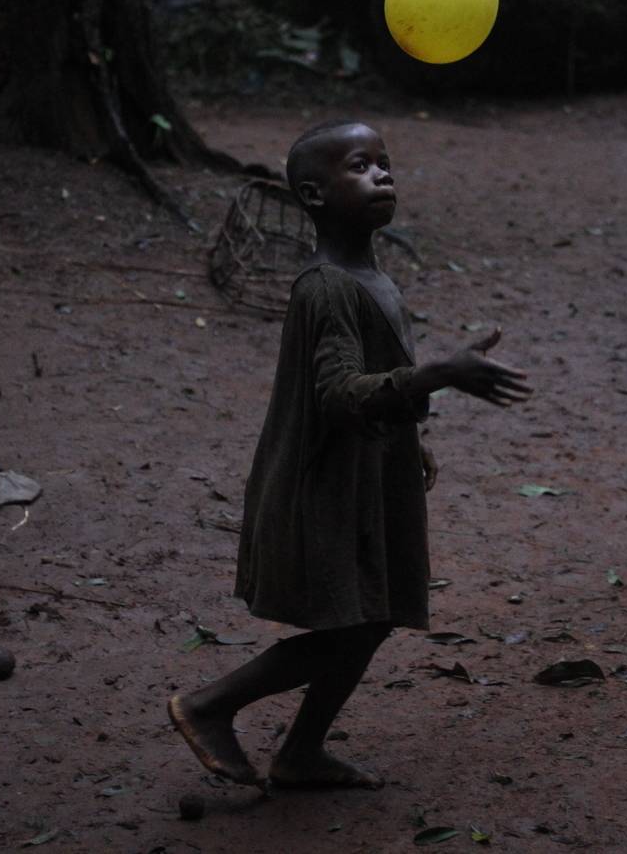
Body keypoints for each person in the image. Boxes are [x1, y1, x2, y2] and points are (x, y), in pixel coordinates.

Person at [169, 121, 533, 790]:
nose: (382, 175)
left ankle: (301, 752)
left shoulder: (372, 278)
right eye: (361, 166)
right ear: (313, 194)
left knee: (374, 616)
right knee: (350, 625)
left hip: (366, 477)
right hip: (325, 487)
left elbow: (371, 381)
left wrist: (410, 437)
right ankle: (210, 705)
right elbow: (338, 394)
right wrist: (438, 374)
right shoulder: (327, 287)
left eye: (385, 163)